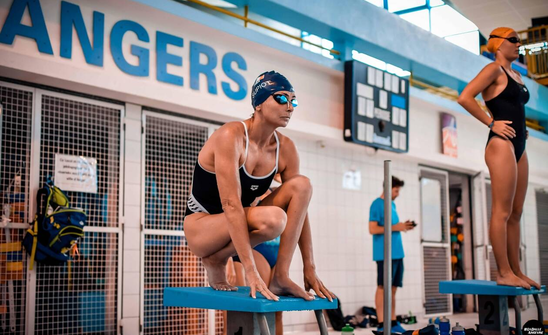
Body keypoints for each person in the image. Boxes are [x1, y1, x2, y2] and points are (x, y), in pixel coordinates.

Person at [183, 71, 334, 303]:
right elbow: (231, 204)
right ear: (259, 104)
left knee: (302, 185)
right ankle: (216, 260)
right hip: (202, 227)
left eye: (293, 101)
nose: (290, 107)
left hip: (240, 220)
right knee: (274, 219)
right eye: (281, 98)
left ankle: (281, 276)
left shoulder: (286, 149)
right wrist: (250, 270)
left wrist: (309, 267)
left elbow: (300, 210)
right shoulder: (230, 135)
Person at [458, 27, 540, 290]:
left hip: (519, 144)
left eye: (519, 41)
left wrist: (521, 128)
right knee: (502, 212)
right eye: (514, 40)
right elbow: (465, 97)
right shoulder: (493, 70)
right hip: (501, 144)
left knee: (516, 213)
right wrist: (491, 123)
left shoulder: (516, 74)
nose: (519, 45)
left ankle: (517, 270)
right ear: (498, 43)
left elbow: (514, 106)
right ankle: (503, 272)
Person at [368, 176, 414, 333]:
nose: (398, 193)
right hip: (384, 254)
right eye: (396, 190)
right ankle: (382, 323)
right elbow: (372, 229)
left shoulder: (392, 205)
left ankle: (393, 321)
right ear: (388, 188)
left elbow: (392, 227)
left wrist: (402, 226)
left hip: (397, 253)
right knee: (382, 287)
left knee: (393, 288)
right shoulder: (376, 205)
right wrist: (397, 227)